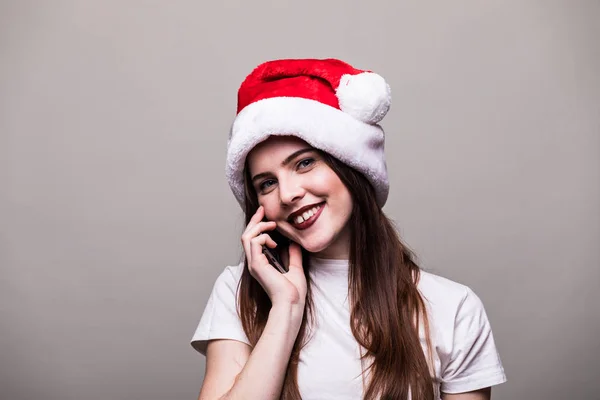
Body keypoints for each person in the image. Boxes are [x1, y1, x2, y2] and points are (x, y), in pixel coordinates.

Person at [191, 58, 507, 400]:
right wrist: (286, 308)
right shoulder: (238, 292)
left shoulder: (452, 307)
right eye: (267, 183)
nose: (287, 193)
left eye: (305, 163)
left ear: (352, 165)